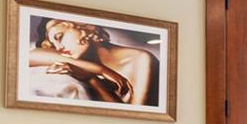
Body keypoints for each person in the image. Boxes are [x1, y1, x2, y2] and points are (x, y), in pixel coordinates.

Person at [26, 19, 159, 106]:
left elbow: (134, 120)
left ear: (85, 28)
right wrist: (95, 74)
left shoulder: (140, 59)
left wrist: (94, 73)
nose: (59, 48)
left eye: (60, 37)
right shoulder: (81, 64)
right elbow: (30, 56)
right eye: (54, 46)